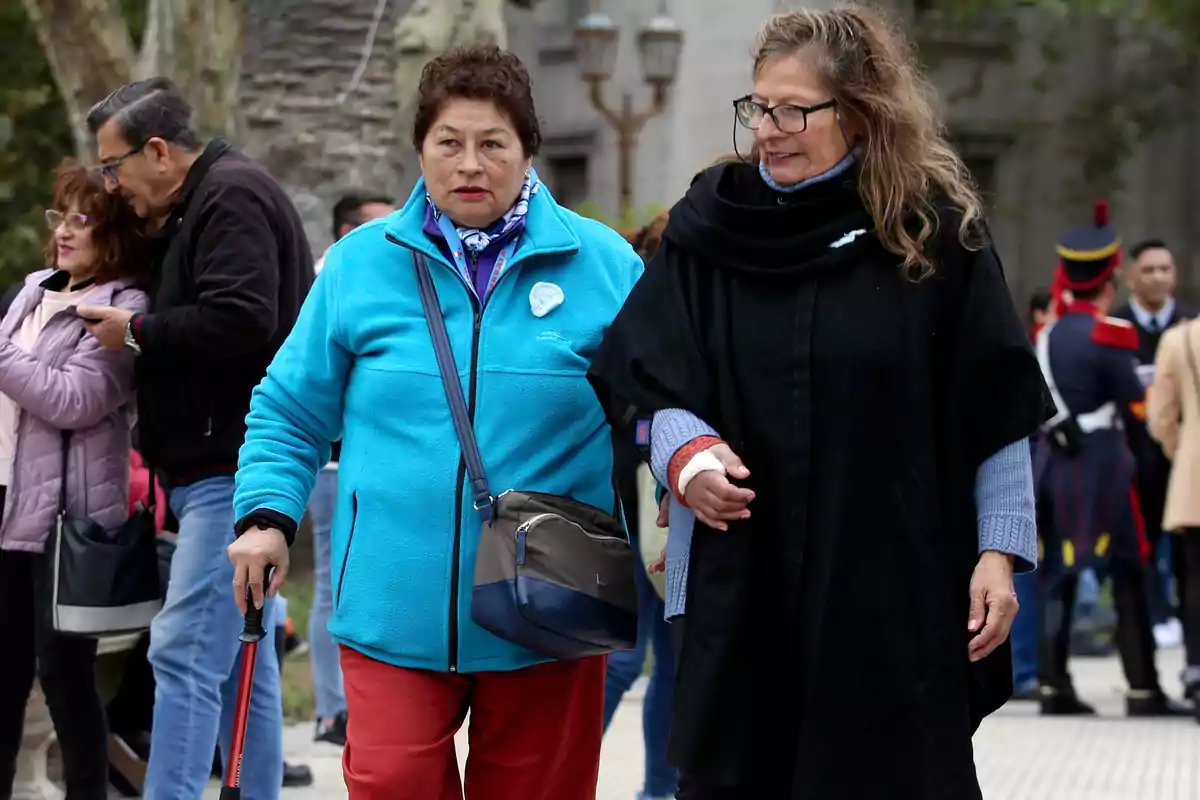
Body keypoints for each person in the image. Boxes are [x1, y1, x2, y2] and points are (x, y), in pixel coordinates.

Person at [586, 6, 1049, 797]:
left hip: (893, 589)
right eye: (759, 106)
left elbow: (994, 404)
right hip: (744, 584)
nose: (770, 128)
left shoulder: (930, 235)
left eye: (795, 109)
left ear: (862, 112)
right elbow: (647, 370)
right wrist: (684, 452)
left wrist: (999, 555)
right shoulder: (711, 225)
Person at [227, 45, 642, 799]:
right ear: (421, 148)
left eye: (492, 143)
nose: (469, 164)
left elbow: (663, 403)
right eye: (449, 143)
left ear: (527, 152)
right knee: (391, 782)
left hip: (549, 608)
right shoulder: (359, 265)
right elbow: (289, 408)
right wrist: (266, 514)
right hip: (393, 604)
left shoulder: (604, 266)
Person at [78, 76, 313, 800]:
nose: (111, 187)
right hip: (222, 468)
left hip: (232, 467)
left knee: (181, 653)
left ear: (156, 151)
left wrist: (136, 331)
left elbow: (243, 318)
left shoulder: (230, 195)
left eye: (112, 168)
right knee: (246, 664)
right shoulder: (201, 203)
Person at [0, 161, 149, 800]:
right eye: (60, 216)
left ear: (112, 231)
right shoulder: (32, 289)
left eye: (82, 220)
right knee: (3, 674)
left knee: (64, 677)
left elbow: (75, 399)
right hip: (5, 500)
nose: (65, 232)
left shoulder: (125, 307)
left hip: (68, 515)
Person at [1032, 200, 1187, 717]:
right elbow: (1137, 405)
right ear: (1109, 278)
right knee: (1126, 568)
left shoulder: (1049, 332)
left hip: (1059, 464)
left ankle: (1055, 683)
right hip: (1106, 465)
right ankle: (1141, 686)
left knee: (1066, 570)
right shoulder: (1111, 333)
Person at [308, 191, 395, 748]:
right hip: (337, 465)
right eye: (376, 226)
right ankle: (334, 709)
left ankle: (341, 707)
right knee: (332, 585)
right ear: (345, 230)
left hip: (355, 463)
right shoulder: (332, 279)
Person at [603, 210, 678, 800]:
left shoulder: (634, 306)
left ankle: (660, 790)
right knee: (638, 660)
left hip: (632, 501)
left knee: (643, 660)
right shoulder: (658, 314)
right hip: (646, 507)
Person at [1112, 239, 1191, 647]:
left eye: (1165, 268)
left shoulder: (1190, 328)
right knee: (1135, 565)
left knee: (1188, 565)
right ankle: (1144, 678)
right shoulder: (1115, 328)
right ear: (1131, 277)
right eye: (1149, 269)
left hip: (1184, 469)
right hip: (1133, 467)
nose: (1159, 276)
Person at [1147, 315, 1200, 719]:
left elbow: (1161, 416)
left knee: (1195, 581)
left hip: (1194, 477)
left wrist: (1180, 452)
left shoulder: (1180, 339)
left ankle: (1197, 673)